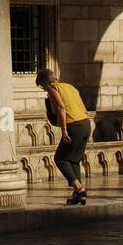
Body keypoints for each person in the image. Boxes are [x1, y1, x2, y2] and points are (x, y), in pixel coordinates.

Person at [36, 69, 91, 205]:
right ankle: (78, 195)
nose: (45, 90)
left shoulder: (53, 88)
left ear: (46, 83)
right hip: (85, 123)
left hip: (73, 125)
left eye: (43, 87)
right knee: (74, 160)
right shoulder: (70, 87)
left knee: (60, 159)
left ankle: (79, 188)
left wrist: (64, 130)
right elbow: (84, 108)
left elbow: (61, 107)